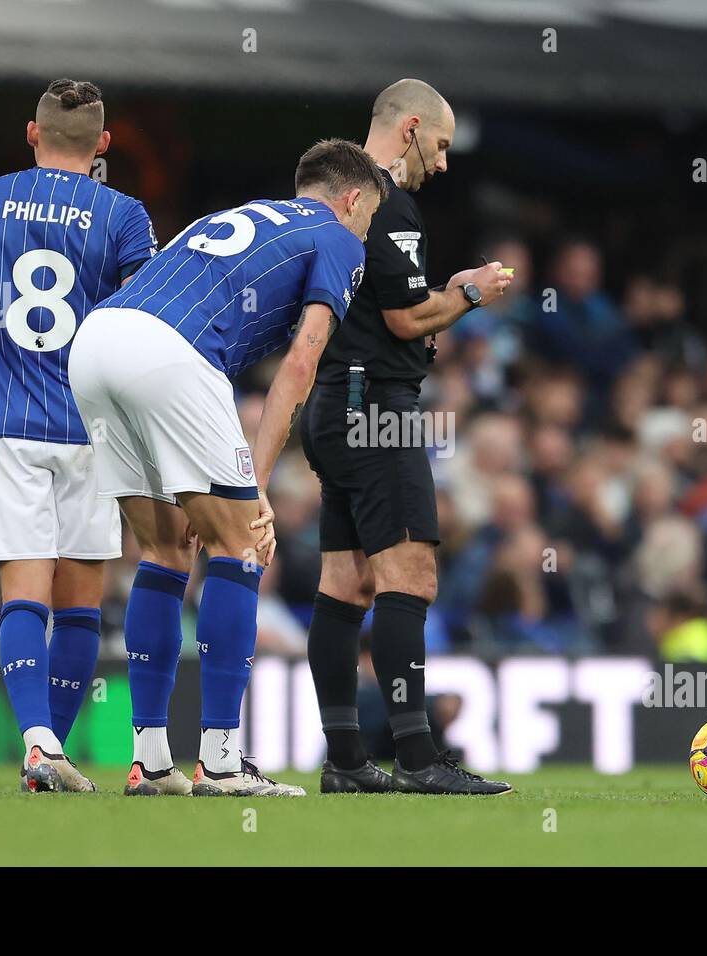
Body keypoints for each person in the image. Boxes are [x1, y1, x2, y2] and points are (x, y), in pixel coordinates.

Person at [69, 138, 387, 797]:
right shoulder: (339, 238)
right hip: (172, 354)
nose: (367, 234)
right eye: (370, 217)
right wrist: (257, 482)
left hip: (96, 341)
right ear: (352, 199)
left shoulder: (235, 217)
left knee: (162, 550)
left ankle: (151, 761)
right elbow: (302, 363)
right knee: (241, 544)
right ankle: (219, 759)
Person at [0, 79, 158, 793]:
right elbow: (142, 332)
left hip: (2, 423)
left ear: (31, 135)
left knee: (22, 594)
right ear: (104, 143)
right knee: (82, 606)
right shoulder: (124, 215)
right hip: (91, 429)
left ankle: (38, 748)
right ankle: (48, 751)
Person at [300, 78, 514, 794]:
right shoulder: (391, 205)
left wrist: (440, 294)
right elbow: (406, 320)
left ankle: (346, 761)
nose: (444, 163)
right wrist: (471, 292)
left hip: (330, 405)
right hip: (378, 410)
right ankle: (419, 761)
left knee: (344, 584)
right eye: (442, 145)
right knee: (408, 577)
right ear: (410, 127)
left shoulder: (331, 199)